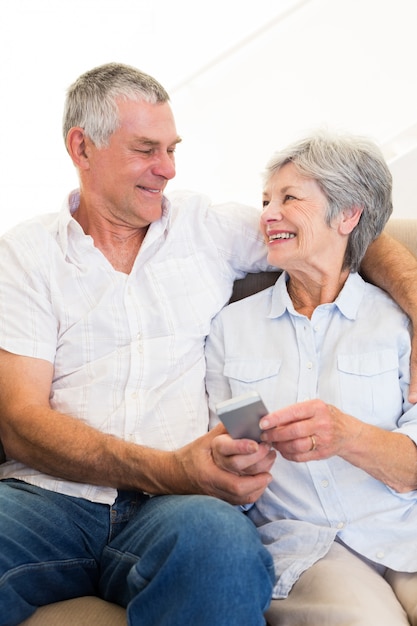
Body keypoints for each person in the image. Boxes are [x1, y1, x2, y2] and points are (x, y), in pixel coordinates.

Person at [0, 63, 415, 625]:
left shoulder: (206, 228)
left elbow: (336, 235)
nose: (167, 169)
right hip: (50, 499)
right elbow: (20, 421)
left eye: (172, 149)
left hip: (177, 510)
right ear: (82, 146)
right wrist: (168, 467)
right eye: (147, 149)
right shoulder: (27, 254)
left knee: (221, 551)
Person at [205, 130, 417, 625]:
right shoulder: (229, 327)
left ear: (348, 215)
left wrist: (348, 437)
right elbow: (217, 447)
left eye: (290, 198)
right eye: (265, 200)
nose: (268, 214)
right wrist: (232, 460)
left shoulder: (398, 322)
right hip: (306, 546)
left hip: (404, 528)